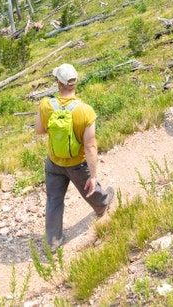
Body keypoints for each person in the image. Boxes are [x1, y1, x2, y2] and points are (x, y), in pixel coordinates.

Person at [35, 63, 114, 249]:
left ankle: (53, 242)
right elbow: (90, 145)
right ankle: (102, 204)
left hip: (53, 161)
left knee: (54, 199)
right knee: (89, 187)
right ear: (75, 83)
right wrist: (93, 176)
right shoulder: (85, 110)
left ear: (59, 84)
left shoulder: (46, 104)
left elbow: (39, 130)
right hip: (77, 163)